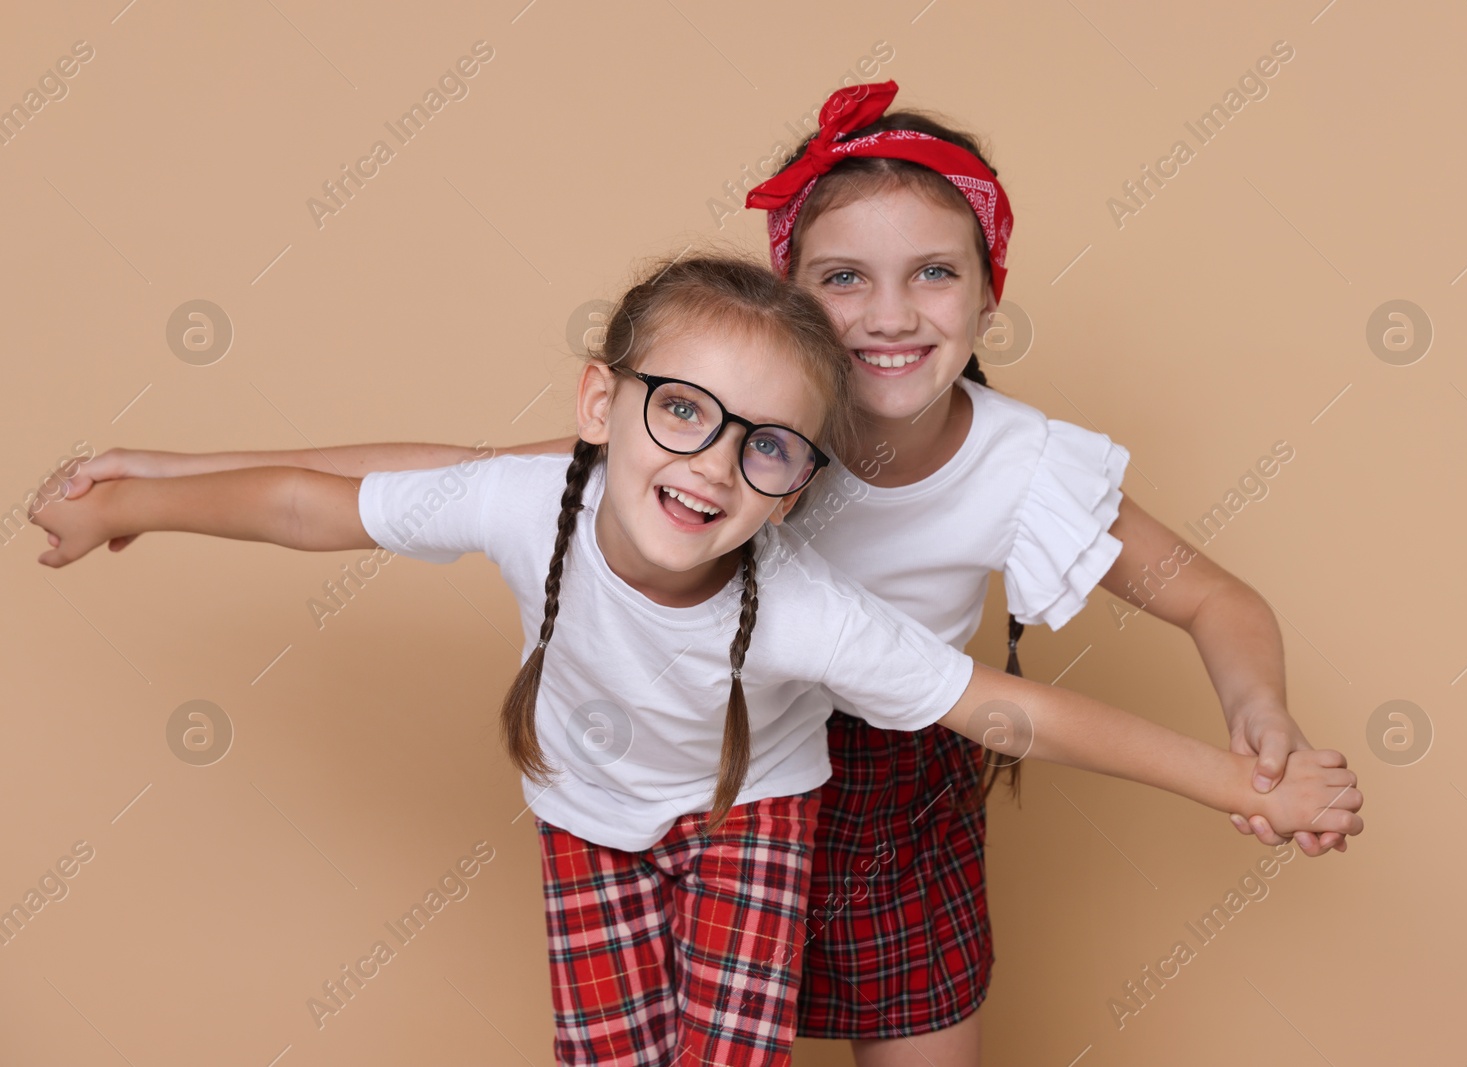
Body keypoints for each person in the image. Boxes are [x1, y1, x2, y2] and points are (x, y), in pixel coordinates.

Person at [48, 84, 1351, 1067]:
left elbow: (1193, 610)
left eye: (932, 275)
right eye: (845, 279)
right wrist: (160, 478)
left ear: (986, 293)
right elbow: (421, 480)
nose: (890, 316)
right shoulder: (706, 441)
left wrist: (1259, 740)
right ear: (783, 303)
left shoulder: (1010, 471)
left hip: (896, 770)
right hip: (702, 765)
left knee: (916, 1028)